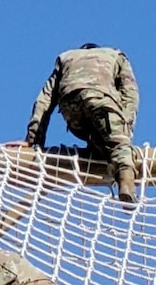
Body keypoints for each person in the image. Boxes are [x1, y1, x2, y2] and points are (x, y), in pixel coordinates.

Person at [26, 43, 141, 202]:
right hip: (99, 100)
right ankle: (127, 185)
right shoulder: (115, 55)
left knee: (96, 134)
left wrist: (33, 141)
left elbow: (44, 100)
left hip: (69, 106)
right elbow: (130, 95)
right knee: (118, 146)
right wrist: (125, 131)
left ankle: (96, 146)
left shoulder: (66, 57)